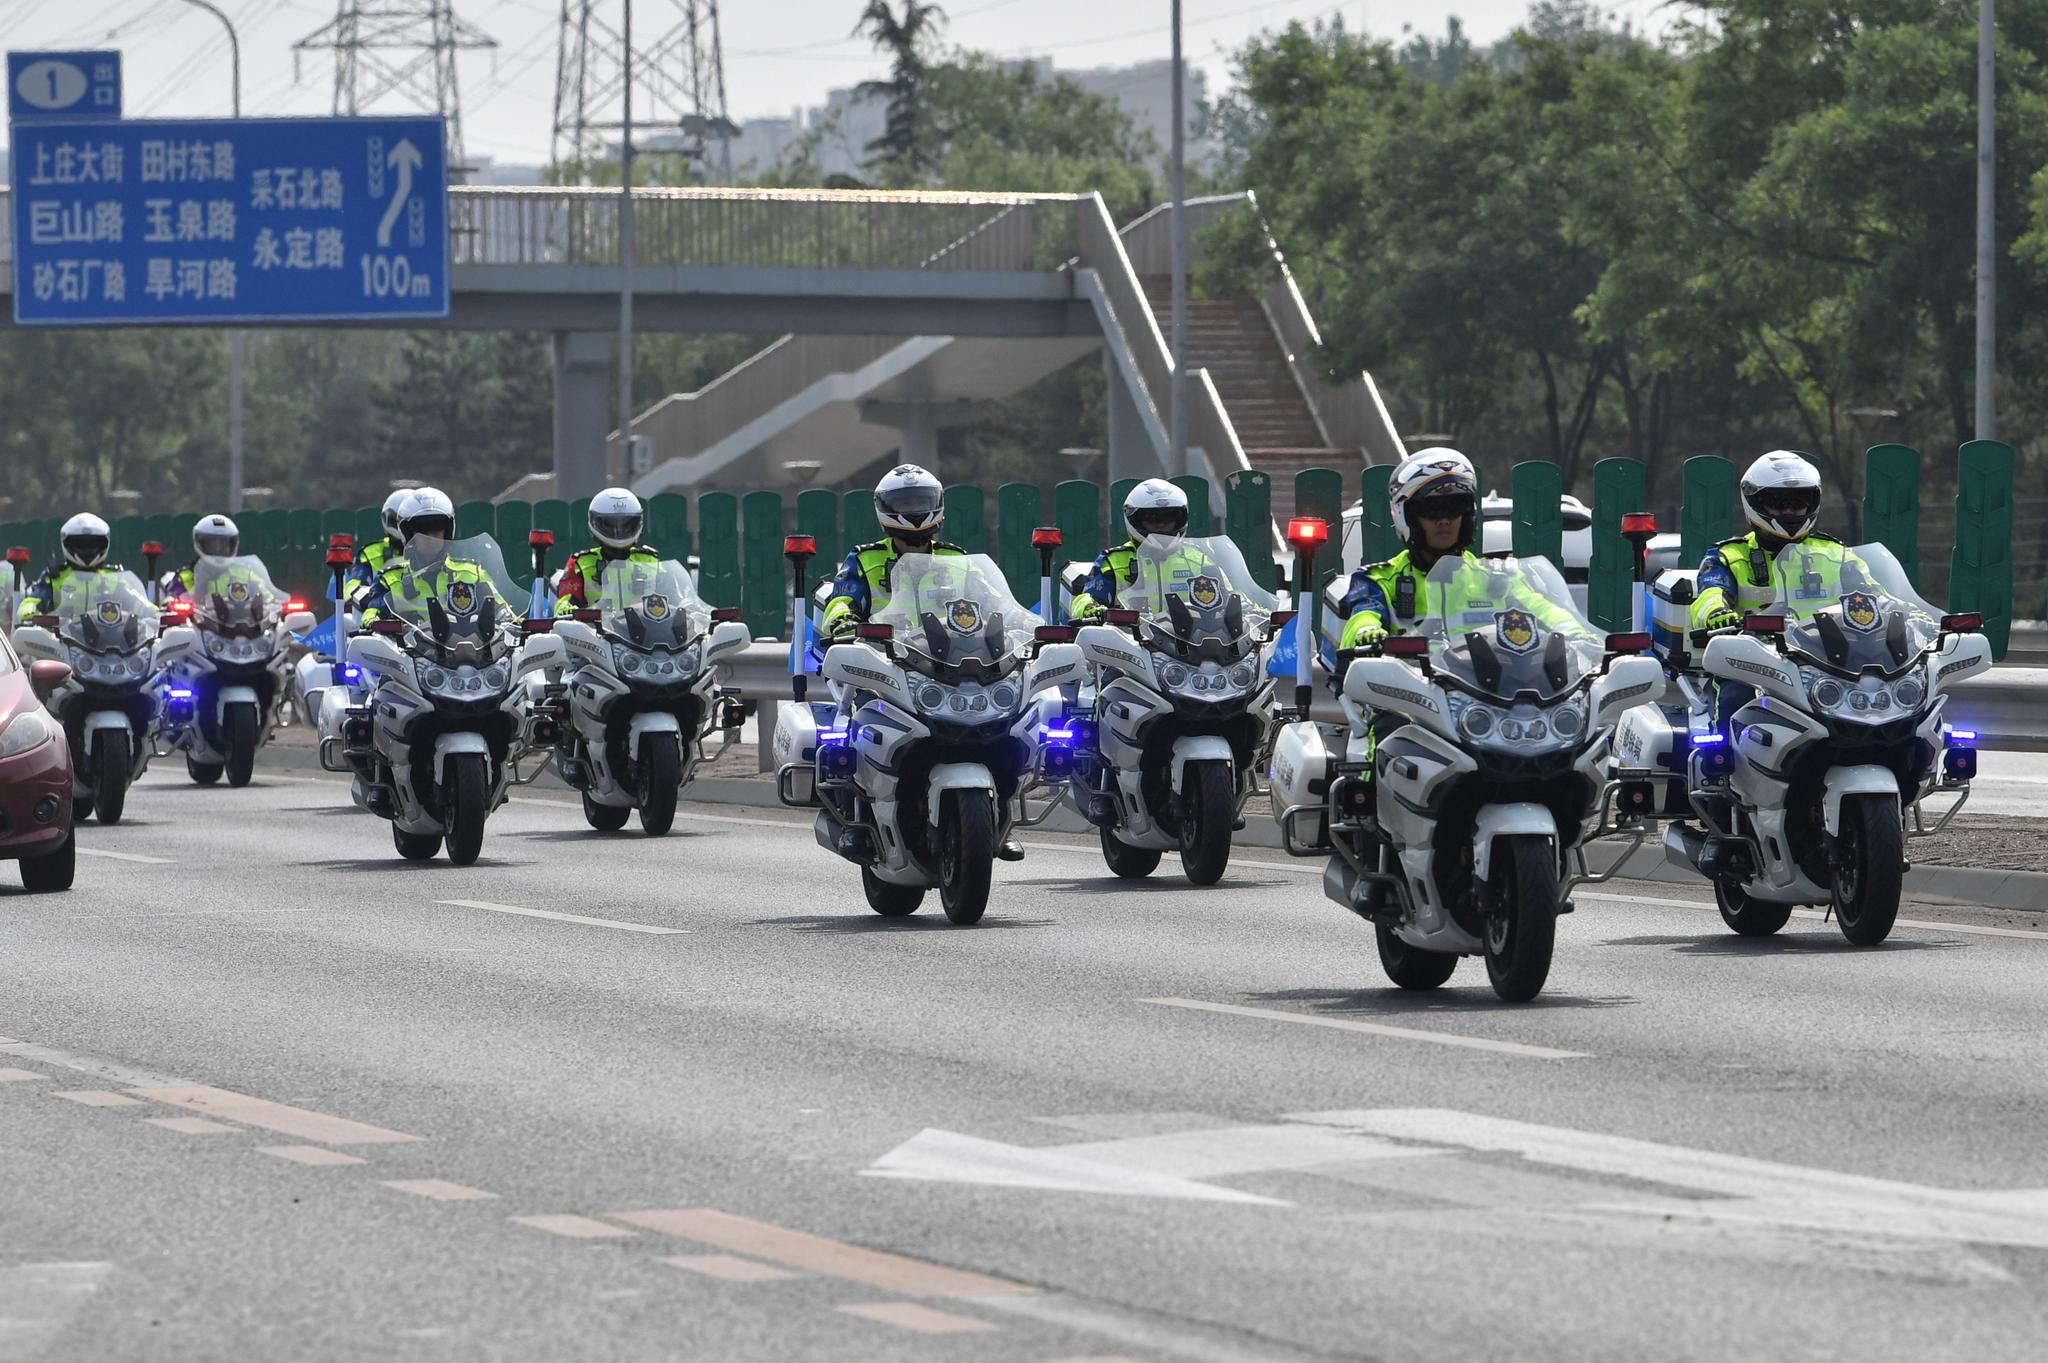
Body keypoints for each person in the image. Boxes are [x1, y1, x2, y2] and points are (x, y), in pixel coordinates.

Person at [1688, 450, 1872, 735]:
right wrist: (1717, 614)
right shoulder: (1729, 556)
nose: (1789, 511)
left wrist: (1912, 616)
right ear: (1755, 503)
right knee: (1735, 697)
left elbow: (1874, 595)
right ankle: (1719, 771)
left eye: (1798, 503)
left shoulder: (1837, 554)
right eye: (1778, 503)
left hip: (1832, 660)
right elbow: (1710, 594)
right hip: (1758, 660)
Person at [1334, 449, 1588, 650]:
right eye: (1431, 510)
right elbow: (1363, 613)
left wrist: (1578, 634)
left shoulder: (1496, 579)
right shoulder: (1378, 581)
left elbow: (1542, 609)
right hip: (1407, 704)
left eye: (1455, 508)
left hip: (1489, 700)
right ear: (1405, 516)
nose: (1444, 520)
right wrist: (1366, 632)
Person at [821, 465, 967, 638]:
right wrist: (843, 620)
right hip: (883, 655)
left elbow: (995, 600)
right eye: (905, 504)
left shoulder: (957, 559)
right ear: (885, 507)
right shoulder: (864, 559)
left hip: (951, 656)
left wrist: (1007, 615)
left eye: (921, 502)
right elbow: (842, 600)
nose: (915, 509)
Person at [1070, 479, 1232, 622]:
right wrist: (1091, 608)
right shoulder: (1113, 561)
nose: (1161, 524)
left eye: (1169, 518)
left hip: (1193, 645)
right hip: (1131, 643)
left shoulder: (1199, 559)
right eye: (1152, 519)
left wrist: (1254, 610)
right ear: (1133, 519)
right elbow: (1087, 597)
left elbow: (1233, 596)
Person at [358, 488, 499, 627]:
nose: (431, 538)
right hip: (409, 649)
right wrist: (374, 622)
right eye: (422, 531)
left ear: (447, 532)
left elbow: (501, 609)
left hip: (470, 648)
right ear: (408, 534)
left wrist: (514, 622)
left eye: (437, 530)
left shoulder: (472, 573)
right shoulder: (390, 580)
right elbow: (372, 612)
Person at [553, 487, 661, 616]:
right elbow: (567, 598)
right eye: (609, 524)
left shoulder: (650, 560)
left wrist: (687, 605)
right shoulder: (581, 563)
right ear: (594, 523)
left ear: (637, 523)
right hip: (595, 632)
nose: (618, 531)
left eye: (626, 525)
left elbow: (675, 596)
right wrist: (566, 607)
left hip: (647, 632)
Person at [16, 513, 124, 623]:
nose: (87, 550)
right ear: (66, 543)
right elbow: (32, 601)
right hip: (60, 638)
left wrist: (139, 613)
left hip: (110, 637)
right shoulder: (54, 576)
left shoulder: (115, 577)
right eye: (79, 543)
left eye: (93, 544)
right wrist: (29, 613)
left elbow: (138, 602)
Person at [344, 490, 415, 611]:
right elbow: (352, 584)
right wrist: (365, 596)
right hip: (378, 616)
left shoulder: (433, 551)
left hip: (424, 617)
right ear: (390, 519)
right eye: (401, 521)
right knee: (347, 621)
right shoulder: (370, 553)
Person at [160, 513, 242, 603]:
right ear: (200, 544)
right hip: (196, 617)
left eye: (224, 545)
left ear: (233, 545)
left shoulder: (247, 575)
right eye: (213, 545)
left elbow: (259, 594)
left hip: (241, 617)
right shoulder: (183, 578)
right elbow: (171, 601)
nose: (218, 549)